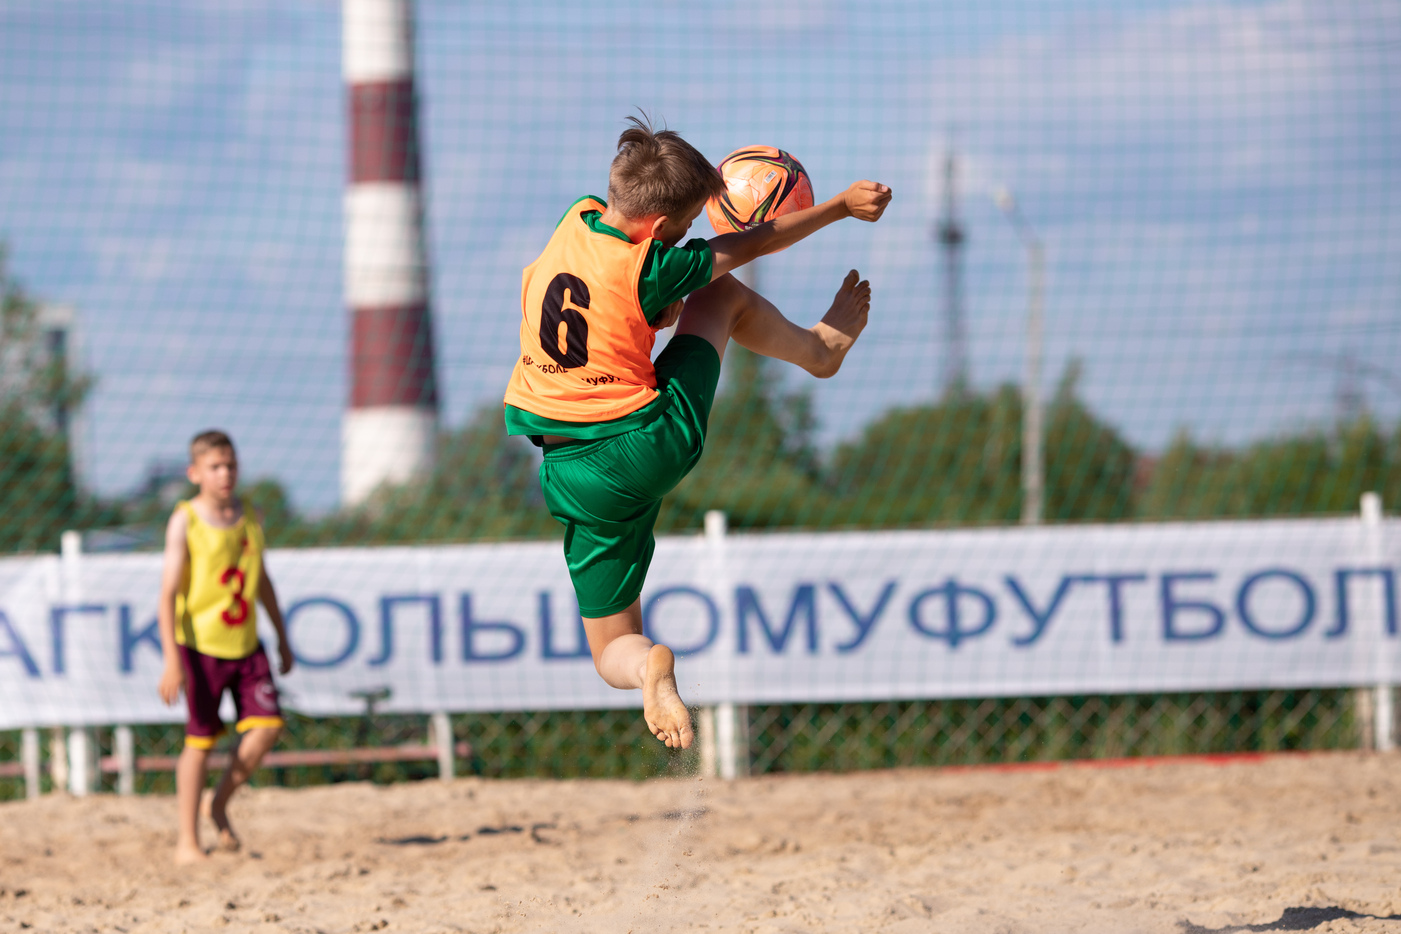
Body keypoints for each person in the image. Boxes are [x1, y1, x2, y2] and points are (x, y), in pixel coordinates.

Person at [504, 116, 891, 750]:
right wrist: (840, 207)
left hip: (571, 469)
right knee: (720, 294)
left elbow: (618, 296)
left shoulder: (577, 218)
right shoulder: (652, 268)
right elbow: (757, 243)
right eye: (683, 232)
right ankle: (819, 351)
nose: (686, 240)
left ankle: (647, 669)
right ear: (661, 231)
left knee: (610, 649)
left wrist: (657, 306)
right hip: (646, 439)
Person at [156, 430, 294, 864]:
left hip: (247, 645)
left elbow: (263, 581)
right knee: (200, 742)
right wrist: (172, 661)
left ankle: (217, 803)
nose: (225, 474)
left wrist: (282, 637)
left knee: (268, 727)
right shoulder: (186, 519)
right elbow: (165, 596)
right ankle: (187, 841)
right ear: (195, 472)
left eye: (231, 465)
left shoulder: (249, 514)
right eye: (215, 467)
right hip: (200, 647)